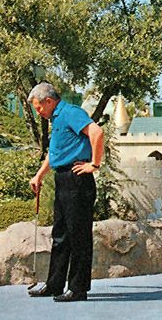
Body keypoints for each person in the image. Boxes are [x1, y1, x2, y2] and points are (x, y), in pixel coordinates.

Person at [27, 82, 104, 302]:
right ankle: (55, 284)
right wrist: (39, 175)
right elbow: (56, 151)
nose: (38, 112)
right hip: (62, 178)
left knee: (79, 235)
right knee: (60, 234)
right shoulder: (56, 119)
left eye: (39, 108)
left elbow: (97, 132)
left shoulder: (71, 113)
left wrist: (94, 165)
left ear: (49, 101)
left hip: (77, 178)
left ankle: (78, 289)